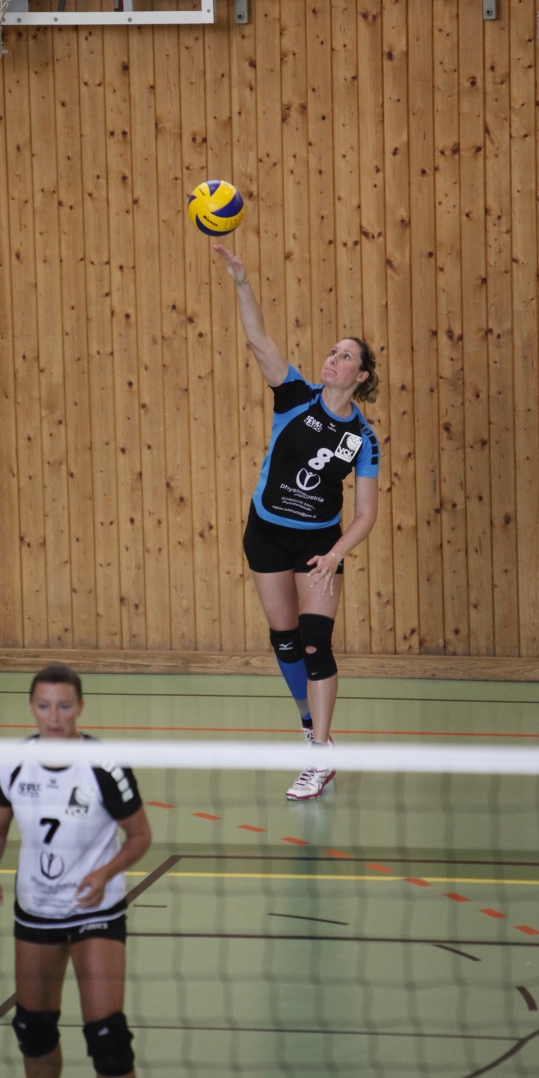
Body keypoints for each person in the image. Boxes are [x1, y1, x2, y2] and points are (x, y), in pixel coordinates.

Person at [214, 244, 380, 800]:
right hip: (264, 533)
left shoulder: (363, 439)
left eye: (345, 356)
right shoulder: (294, 397)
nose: (333, 359)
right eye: (332, 351)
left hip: (318, 547)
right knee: (284, 641)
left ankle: (320, 753)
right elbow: (258, 340)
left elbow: (366, 513)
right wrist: (242, 282)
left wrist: (335, 555)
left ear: (360, 375)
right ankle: (311, 728)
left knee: (315, 645)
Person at [0, 664, 152, 1078]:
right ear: (31, 707)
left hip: (96, 909)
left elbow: (140, 836)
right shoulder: (13, 762)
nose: (54, 717)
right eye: (44, 706)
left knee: (109, 1039)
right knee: (33, 1031)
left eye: (64, 706)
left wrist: (105, 872)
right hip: (36, 908)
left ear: (80, 708)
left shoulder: (104, 766)